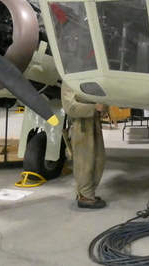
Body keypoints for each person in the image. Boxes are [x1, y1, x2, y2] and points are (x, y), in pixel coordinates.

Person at [61, 81, 107, 209]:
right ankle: (85, 196)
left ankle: (88, 193)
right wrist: (94, 108)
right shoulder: (69, 81)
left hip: (93, 123)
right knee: (84, 162)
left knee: (97, 159)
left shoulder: (87, 79)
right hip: (81, 126)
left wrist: (103, 109)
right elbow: (70, 108)